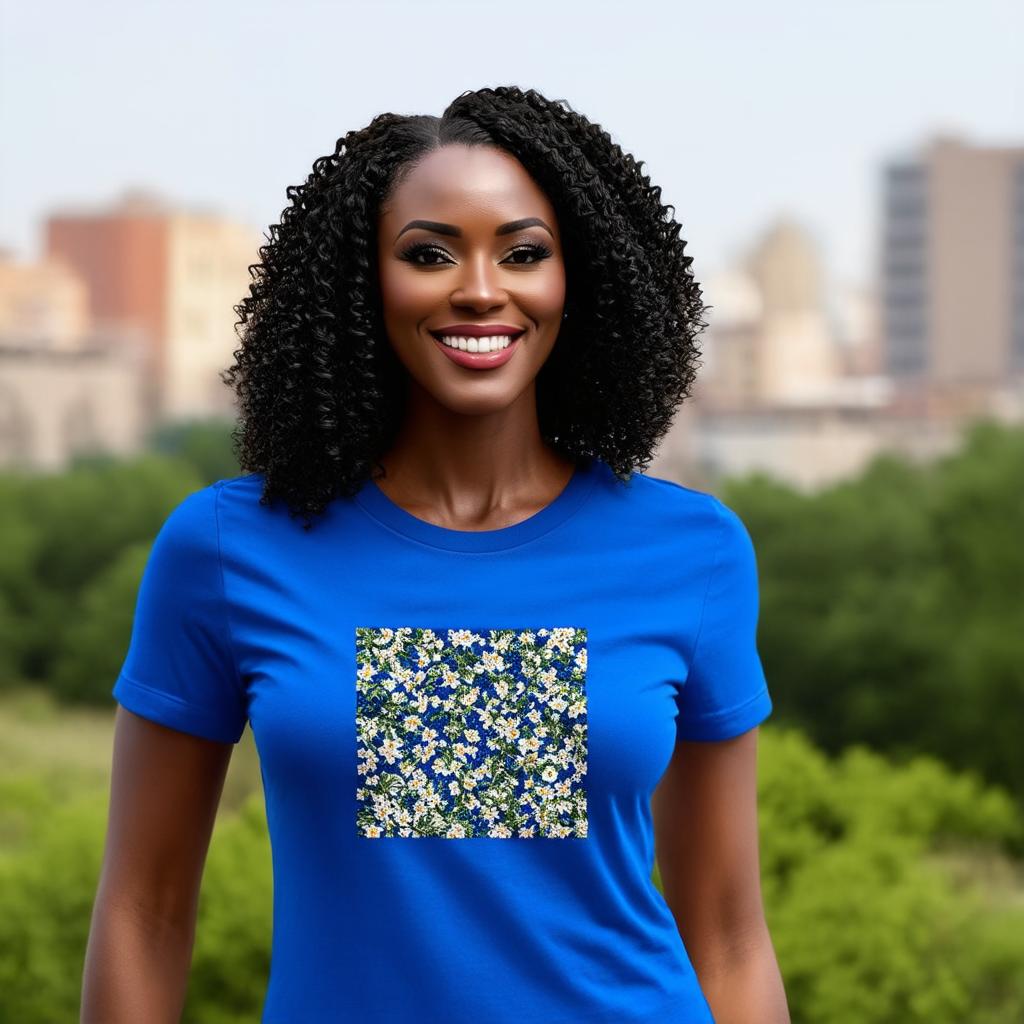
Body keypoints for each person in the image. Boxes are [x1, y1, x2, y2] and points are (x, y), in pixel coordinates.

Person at [81, 84, 790, 1023]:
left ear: (577, 282)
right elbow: (144, 910)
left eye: (524, 253)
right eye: (429, 254)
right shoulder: (227, 549)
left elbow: (730, 932)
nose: (481, 288)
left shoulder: (691, 552)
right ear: (363, 283)